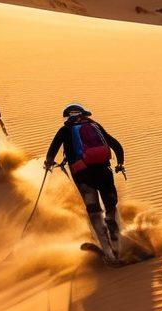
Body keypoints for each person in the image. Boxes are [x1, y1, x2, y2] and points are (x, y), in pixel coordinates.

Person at [44, 103, 126, 259]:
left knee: (94, 210)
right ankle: (117, 245)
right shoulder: (95, 125)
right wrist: (120, 163)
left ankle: (108, 252)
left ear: (69, 117)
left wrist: (48, 163)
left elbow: (52, 150)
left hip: (83, 175)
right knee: (110, 207)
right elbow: (115, 144)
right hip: (104, 171)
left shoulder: (65, 130)